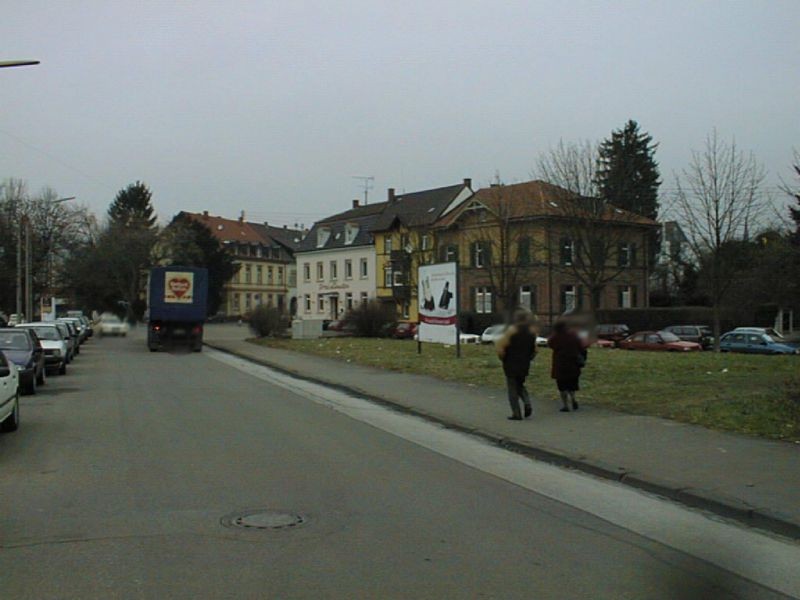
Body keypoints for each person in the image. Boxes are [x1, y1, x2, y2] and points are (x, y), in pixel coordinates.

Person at [496, 310, 538, 420]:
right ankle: (527, 402)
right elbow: (535, 350)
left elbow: (501, 349)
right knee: (520, 384)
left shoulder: (511, 332)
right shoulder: (531, 332)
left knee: (512, 389)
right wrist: (528, 358)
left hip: (511, 363)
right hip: (524, 364)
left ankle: (516, 413)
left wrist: (503, 359)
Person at [547, 320, 585, 412]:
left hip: (560, 364)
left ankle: (565, 405)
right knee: (572, 384)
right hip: (573, 363)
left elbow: (550, 344)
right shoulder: (574, 335)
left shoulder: (555, 337)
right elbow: (581, 346)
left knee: (562, 386)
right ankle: (573, 398)